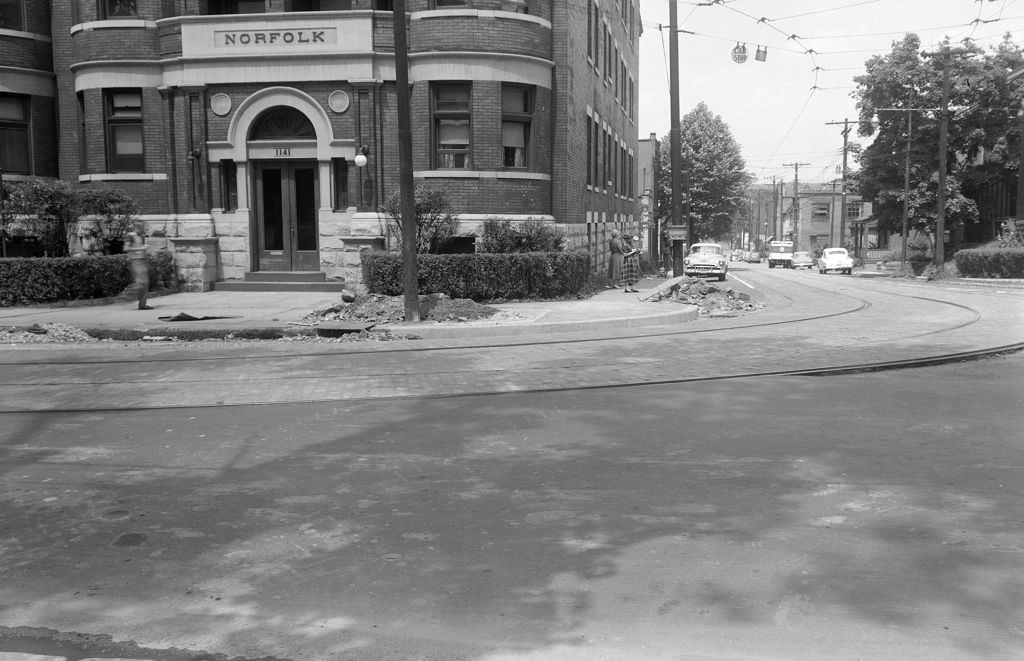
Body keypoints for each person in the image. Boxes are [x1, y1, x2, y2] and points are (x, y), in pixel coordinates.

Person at [124, 221, 153, 310]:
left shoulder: (142, 237)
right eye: (142, 227)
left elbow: (143, 249)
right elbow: (126, 248)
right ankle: (128, 292)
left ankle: (142, 304)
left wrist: (146, 255)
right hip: (135, 261)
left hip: (142, 260)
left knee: (145, 283)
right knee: (142, 283)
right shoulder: (130, 236)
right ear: (137, 227)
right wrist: (141, 248)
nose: (144, 229)